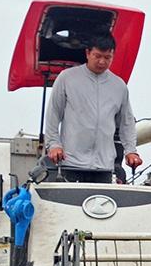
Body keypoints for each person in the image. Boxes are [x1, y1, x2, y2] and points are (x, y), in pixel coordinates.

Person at [43, 34, 143, 183]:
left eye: (107, 57)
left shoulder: (119, 86)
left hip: (104, 166)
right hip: (71, 163)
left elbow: (126, 123)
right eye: (98, 56)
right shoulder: (67, 78)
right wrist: (53, 145)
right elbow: (53, 114)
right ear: (88, 53)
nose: (102, 61)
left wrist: (131, 151)